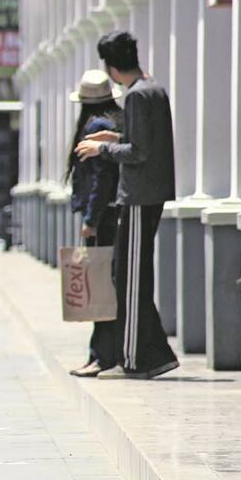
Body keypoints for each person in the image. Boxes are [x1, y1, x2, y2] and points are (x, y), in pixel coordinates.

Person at [76, 30, 179, 380]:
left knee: (129, 280)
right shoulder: (154, 90)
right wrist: (114, 138)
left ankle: (138, 356)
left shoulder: (136, 96)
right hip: (151, 195)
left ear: (111, 66)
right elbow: (143, 141)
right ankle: (153, 353)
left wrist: (100, 149)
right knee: (130, 275)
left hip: (137, 197)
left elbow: (139, 152)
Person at [66, 70, 123, 378]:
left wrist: (90, 219)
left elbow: (102, 179)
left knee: (99, 288)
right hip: (109, 217)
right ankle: (99, 354)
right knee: (102, 287)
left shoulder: (98, 126)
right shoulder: (113, 122)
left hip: (103, 221)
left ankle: (101, 356)